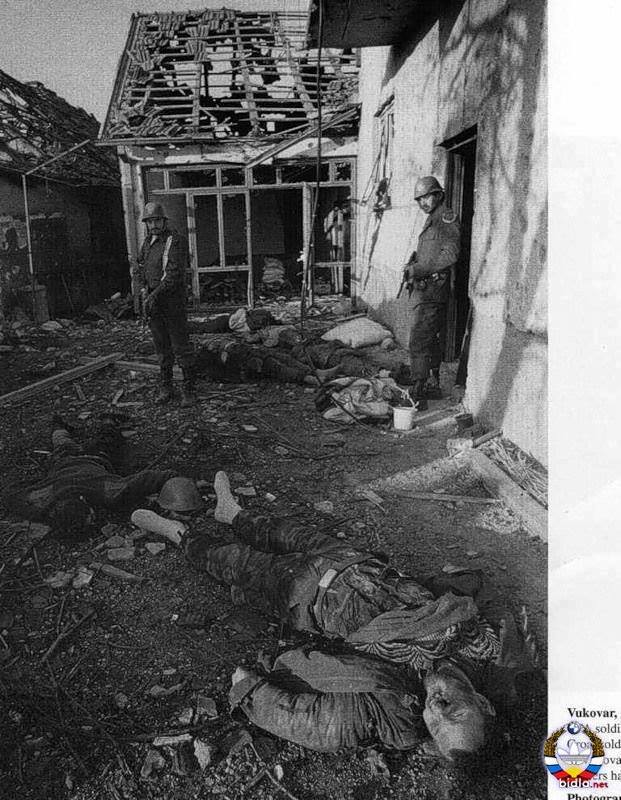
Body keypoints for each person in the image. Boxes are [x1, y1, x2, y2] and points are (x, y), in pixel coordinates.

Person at [185, 473, 526, 676]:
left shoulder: (405, 678)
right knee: (287, 532)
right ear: (481, 703)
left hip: (311, 593)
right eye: (454, 706)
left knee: (239, 563)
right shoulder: (484, 645)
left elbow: (334, 668)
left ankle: (177, 534)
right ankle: (231, 512)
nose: (440, 700)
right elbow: (481, 589)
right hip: (359, 564)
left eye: (438, 711)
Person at [228, 646, 496, 758]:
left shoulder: (397, 716)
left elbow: (323, 725)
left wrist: (252, 691)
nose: (435, 708)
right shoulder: (481, 648)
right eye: (456, 714)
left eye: (435, 727)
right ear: (483, 703)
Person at [9, 414, 177, 539]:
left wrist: (172, 477)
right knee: (62, 441)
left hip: (93, 458)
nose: (94, 519)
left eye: (90, 516)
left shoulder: (106, 491)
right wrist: (44, 481)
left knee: (107, 439)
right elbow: (10, 493)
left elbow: (145, 480)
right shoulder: (40, 500)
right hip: (64, 460)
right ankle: (58, 425)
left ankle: (108, 420)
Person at [403, 177, 461, 410]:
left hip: (433, 291)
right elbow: (431, 252)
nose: (422, 203)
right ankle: (433, 383)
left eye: (426, 197)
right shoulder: (432, 219)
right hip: (425, 289)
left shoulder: (446, 218)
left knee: (418, 339)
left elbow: (451, 254)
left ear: (438, 195)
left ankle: (418, 391)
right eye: (419, 199)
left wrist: (419, 269)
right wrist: (414, 262)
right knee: (430, 338)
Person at [133, 201, 196, 407]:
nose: (153, 225)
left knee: (181, 346)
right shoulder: (148, 243)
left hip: (172, 302)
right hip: (154, 303)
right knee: (161, 346)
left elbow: (173, 275)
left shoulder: (175, 241)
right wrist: (143, 287)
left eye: (157, 220)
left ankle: (189, 390)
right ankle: (166, 386)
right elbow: (141, 266)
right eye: (149, 222)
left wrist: (153, 296)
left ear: (164, 221)